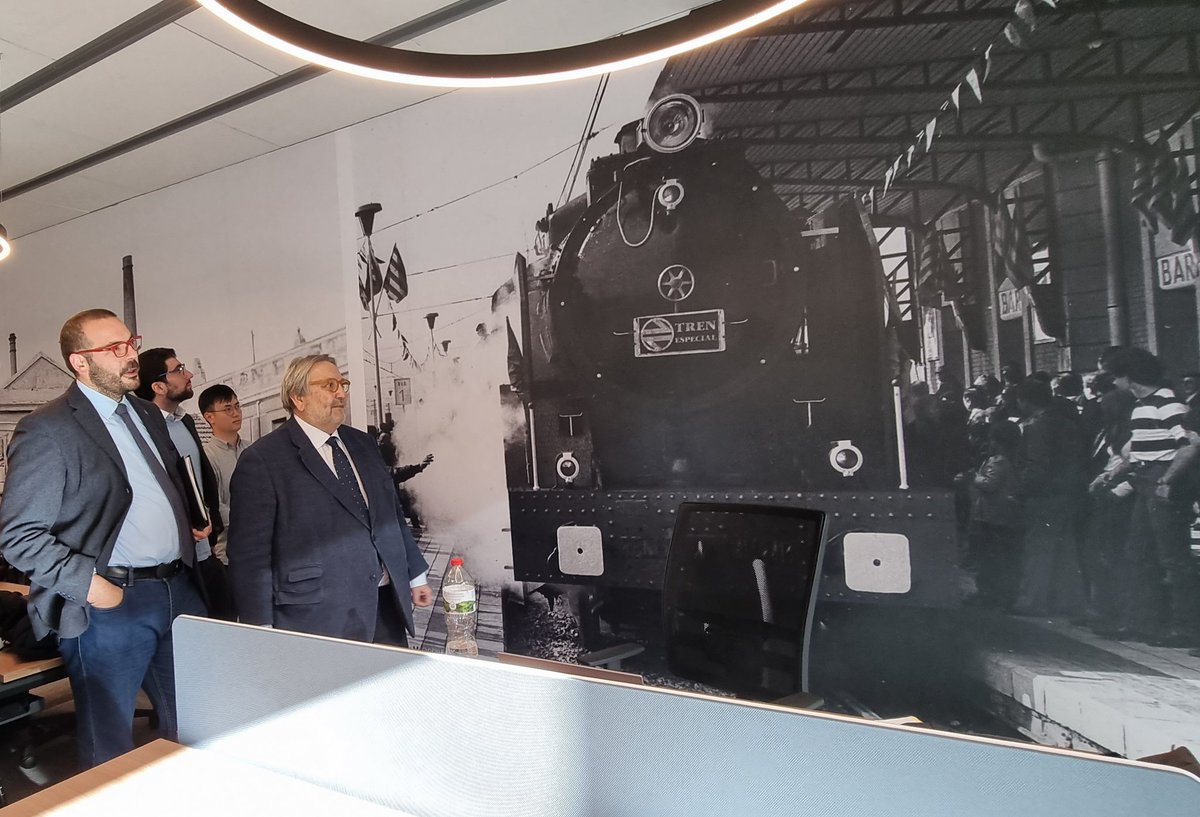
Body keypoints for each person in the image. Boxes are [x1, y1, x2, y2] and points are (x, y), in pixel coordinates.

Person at [0, 309, 209, 767]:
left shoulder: (146, 415)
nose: (131, 355)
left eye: (131, 343)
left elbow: (148, 487)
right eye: (114, 349)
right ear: (80, 362)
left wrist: (184, 524)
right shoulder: (48, 428)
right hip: (110, 604)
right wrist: (91, 586)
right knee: (110, 743)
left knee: (194, 723)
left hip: (178, 591)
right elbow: (18, 535)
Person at [228, 355, 433, 645]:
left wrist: (414, 575)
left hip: (384, 607)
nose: (341, 393)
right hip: (316, 618)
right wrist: (259, 627)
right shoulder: (263, 460)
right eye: (329, 385)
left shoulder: (363, 444)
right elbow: (250, 555)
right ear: (298, 397)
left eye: (343, 384)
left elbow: (391, 515)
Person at [1094, 348, 1199, 646]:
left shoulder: (1167, 404)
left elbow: (1189, 446)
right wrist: (1113, 473)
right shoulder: (1142, 406)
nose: (1114, 383)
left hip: (1161, 480)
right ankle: (1141, 622)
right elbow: (1137, 451)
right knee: (1138, 553)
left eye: (1117, 376)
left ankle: (1187, 628)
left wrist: (1168, 479)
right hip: (1144, 479)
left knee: (1172, 557)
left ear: (1130, 376)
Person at [135, 348, 235, 621]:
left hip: (207, 552)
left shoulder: (186, 421)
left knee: (225, 623)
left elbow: (202, 480)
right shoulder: (142, 431)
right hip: (175, 562)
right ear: (158, 386)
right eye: (178, 370)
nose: (188, 374)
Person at [198, 384, 246, 567]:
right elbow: (214, 505)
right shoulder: (206, 456)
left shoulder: (254, 449)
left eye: (237, 406)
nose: (236, 413)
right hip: (227, 552)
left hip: (263, 546)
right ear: (209, 417)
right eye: (227, 409)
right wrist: (254, 518)